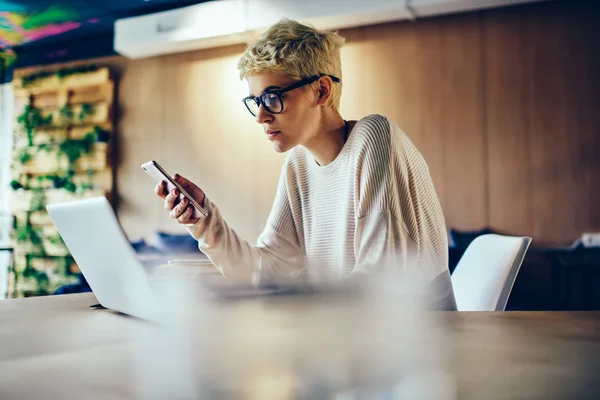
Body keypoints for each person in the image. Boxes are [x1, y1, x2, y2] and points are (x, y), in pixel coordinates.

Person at [155, 19, 457, 310]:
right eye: (255, 101)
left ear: (321, 90)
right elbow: (265, 271)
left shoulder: (373, 136)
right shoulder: (298, 164)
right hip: (351, 341)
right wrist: (203, 222)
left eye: (272, 97)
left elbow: (380, 287)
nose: (261, 116)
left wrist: (286, 299)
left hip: (416, 348)